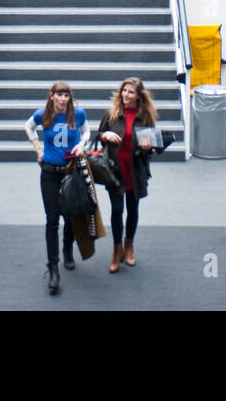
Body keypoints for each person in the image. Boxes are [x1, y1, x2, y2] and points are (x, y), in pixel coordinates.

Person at [25, 81, 90, 294]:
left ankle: (67, 248)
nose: (63, 99)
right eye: (59, 95)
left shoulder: (78, 114)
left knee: (70, 215)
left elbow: (87, 131)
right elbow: (29, 127)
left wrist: (81, 144)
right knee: (52, 219)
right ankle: (53, 267)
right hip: (49, 173)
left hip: (71, 171)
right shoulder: (43, 114)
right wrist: (38, 149)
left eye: (66, 95)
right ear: (52, 96)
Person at [96, 77, 158, 272]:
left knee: (132, 209)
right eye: (124, 91)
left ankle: (129, 246)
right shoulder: (112, 114)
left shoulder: (145, 116)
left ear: (139, 96)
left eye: (130, 92)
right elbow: (99, 135)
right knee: (116, 211)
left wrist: (148, 145)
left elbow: (151, 146)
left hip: (135, 171)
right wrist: (105, 136)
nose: (126, 95)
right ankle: (117, 250)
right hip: (115, 169)